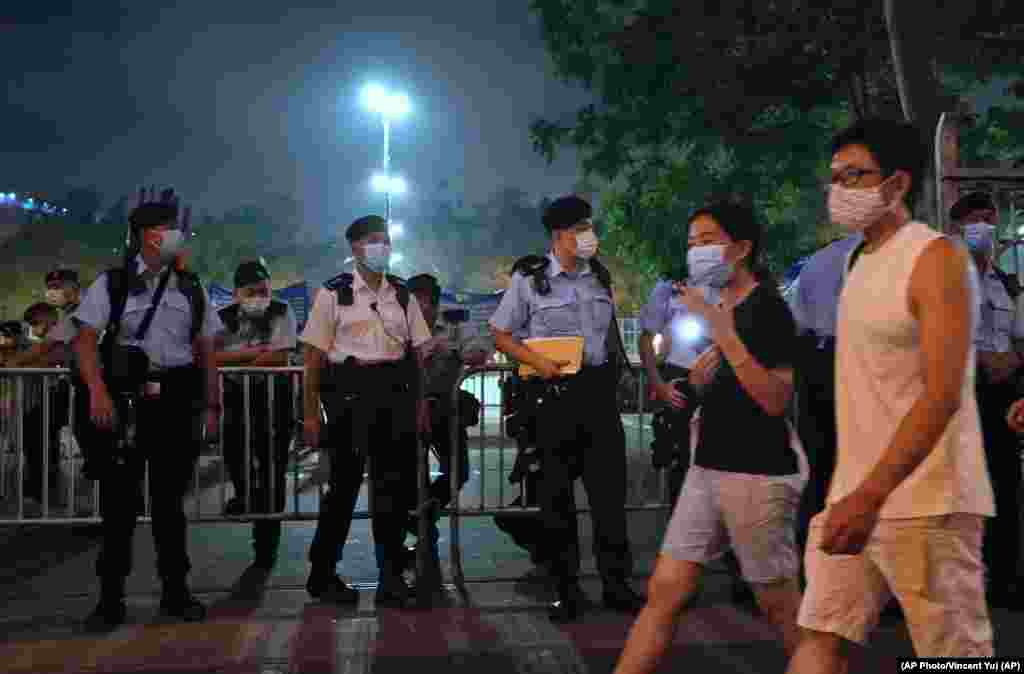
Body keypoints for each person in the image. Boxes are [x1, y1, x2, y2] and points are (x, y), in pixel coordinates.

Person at [786, 119, 995, 672]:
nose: (840, 191)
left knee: (955, 659)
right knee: (819, 638)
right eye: (834, 178)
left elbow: (942, 394)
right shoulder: (856, 262)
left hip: (930, 503)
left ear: (897, 185)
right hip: (854, 500)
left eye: (855, 176)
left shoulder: (934, 259)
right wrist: (849, 493)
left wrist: (868, 494)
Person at [614, 199, 805, 674]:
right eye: (691, 242)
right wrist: (697, 383)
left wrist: (726, 335)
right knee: (665, 592)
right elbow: (729, 381)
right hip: (708, 466)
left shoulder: (768, 309)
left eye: (707, 241)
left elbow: (776, 399)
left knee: (780, 608)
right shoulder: (720, 306)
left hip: (757, 474)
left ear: (740, 249)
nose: (695, 251)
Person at [72, 189, 223, 631]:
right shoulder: (113, 283)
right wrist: (97, 392)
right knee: (119, 506)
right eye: (165, 229)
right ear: (144, 236)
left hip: (175, 401)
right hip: (125, 401)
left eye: (175, 228)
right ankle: (110, 599)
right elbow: (84, 341)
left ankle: (176, 592)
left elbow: (207, 349)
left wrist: (212, 404)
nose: (175, 235)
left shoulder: (192, 287)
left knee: (169, 505)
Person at [489, 195, 644, 623]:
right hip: (553, 397)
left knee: (609, 496)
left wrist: (622, 371)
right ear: (559, 236)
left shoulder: (599, 275)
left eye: (589, 227)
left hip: (597, 395)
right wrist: (538, 364)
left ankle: (617, 583)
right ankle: (566, 589)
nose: (589, 236)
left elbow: (608, 332)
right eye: (581, 228)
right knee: (557, 500)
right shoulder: (530, 277)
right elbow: (501, 333)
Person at [300, 214, 431, 607]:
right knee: (341, 492)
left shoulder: (403, 294)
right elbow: (312, 358)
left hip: (395, 397)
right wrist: (310, 414)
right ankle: (321, 575)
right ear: (355, 247)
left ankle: (391, 577)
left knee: (393, 492)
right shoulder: (333, 294)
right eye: (375, 240)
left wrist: (422, 404)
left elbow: (419, 355)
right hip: (348, 401)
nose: (383, 247)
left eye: (386, 240)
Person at [950, 190, 1024, 610]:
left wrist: (1011, 360)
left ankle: (1006, 578)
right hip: (961, 394)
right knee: (962, 489)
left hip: (1001, 393)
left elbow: (1018, 333)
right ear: (958, 228)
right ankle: (963, 581)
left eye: (991, 222)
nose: (986, 230)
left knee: (1004, 485)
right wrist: (981, 359)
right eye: (977, 220)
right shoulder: (949, 278)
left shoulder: (1004, 281)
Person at [214, 259, 298, 571]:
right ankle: (247, 498)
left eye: (264, 290)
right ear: (237, 293)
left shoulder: (282, 310)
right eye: (251, 291)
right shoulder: (221, 316)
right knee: (234, 453)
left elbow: (279, 358)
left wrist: (234, 363)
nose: (259, 296)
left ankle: (266, 545)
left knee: (273, 472)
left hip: (275, 397)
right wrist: (252, 356)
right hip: (238, 397)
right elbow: (211, 356)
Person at [785, 234, 863, 560]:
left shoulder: (818, 261)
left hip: (820, 363)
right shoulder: (896, 255)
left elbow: (799, 323)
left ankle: (814, 559)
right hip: (858, 363)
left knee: (819, 470)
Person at [404, 273, 490, 560]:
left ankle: (426, 516)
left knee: (459, 471)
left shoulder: (454, 322)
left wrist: (452, 349)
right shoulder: (397, 324)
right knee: (408, 479)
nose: (418, 307)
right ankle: (422, 530)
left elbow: (478, 350)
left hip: (444, 408)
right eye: (412, 301)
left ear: (435, 301)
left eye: (423, 301)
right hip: (406, 410)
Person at [7, 269, 83, 368]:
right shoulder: (70, 313)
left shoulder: (82, 313)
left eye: (57, 287)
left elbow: (47, 347)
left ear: (74, 288)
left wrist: (16, 363)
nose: (50, 293)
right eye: (49, 288)